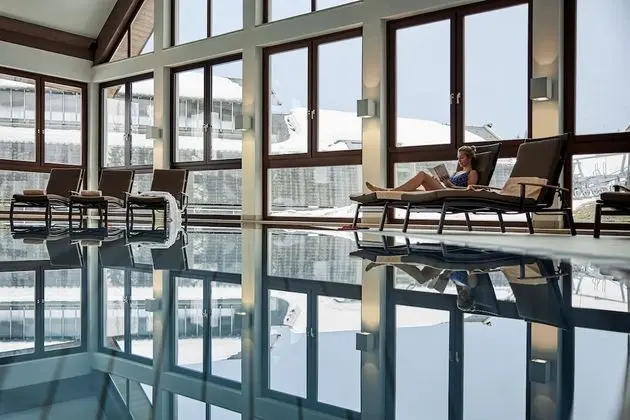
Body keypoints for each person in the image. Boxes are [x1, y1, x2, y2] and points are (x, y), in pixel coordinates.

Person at [366, 146, 479, 192]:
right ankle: (386, 191)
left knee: (422, 175)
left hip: (451, 194)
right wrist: (440, 181)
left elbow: (469, 192)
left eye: (462, 158)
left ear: (469, 158)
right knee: (412, 191)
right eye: (458, 158)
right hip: (445, 189)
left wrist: (450, 185)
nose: (459, 161)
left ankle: (387, 191)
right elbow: (448, 185)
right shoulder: (457, 172)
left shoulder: (472, 173)